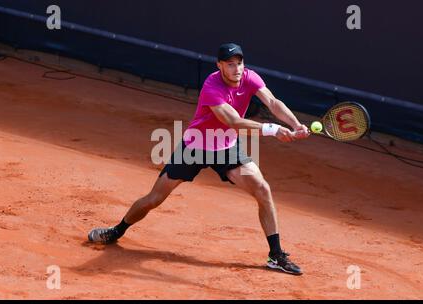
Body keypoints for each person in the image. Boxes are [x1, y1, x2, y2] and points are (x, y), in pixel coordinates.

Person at [88, 43, 310, 275]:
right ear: (220, 65)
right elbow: (233, 121)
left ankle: (275, 255)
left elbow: (273, 103)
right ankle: (117, 230)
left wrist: (295, 125)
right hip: (195, 146)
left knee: (262, 189)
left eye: (240, 63)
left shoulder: (249, 77)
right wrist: (272, 129)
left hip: (227, 147)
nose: (237, 69)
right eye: (230, 64)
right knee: (154, 199)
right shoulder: (211, 86)